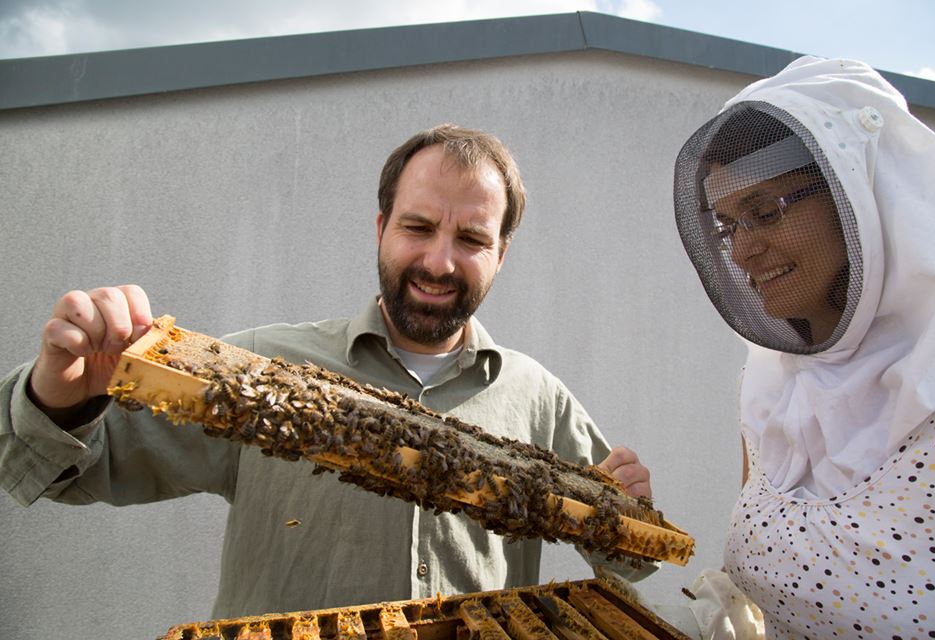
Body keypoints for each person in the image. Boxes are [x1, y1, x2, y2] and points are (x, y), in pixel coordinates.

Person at [0, 124, 654, 619]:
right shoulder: (258, 370)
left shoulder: (538, 401)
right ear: (380, 228)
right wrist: (63, 396)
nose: (438, 261)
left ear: (501, 253)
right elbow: (68, 468)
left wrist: (631, 514)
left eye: (472, 240)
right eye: (417, 227)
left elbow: (632, 557)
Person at [670, 57, 935, 637]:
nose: (741, 250)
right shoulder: (764, 389)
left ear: (857, 199)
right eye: (727, 226)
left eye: (764, 211)